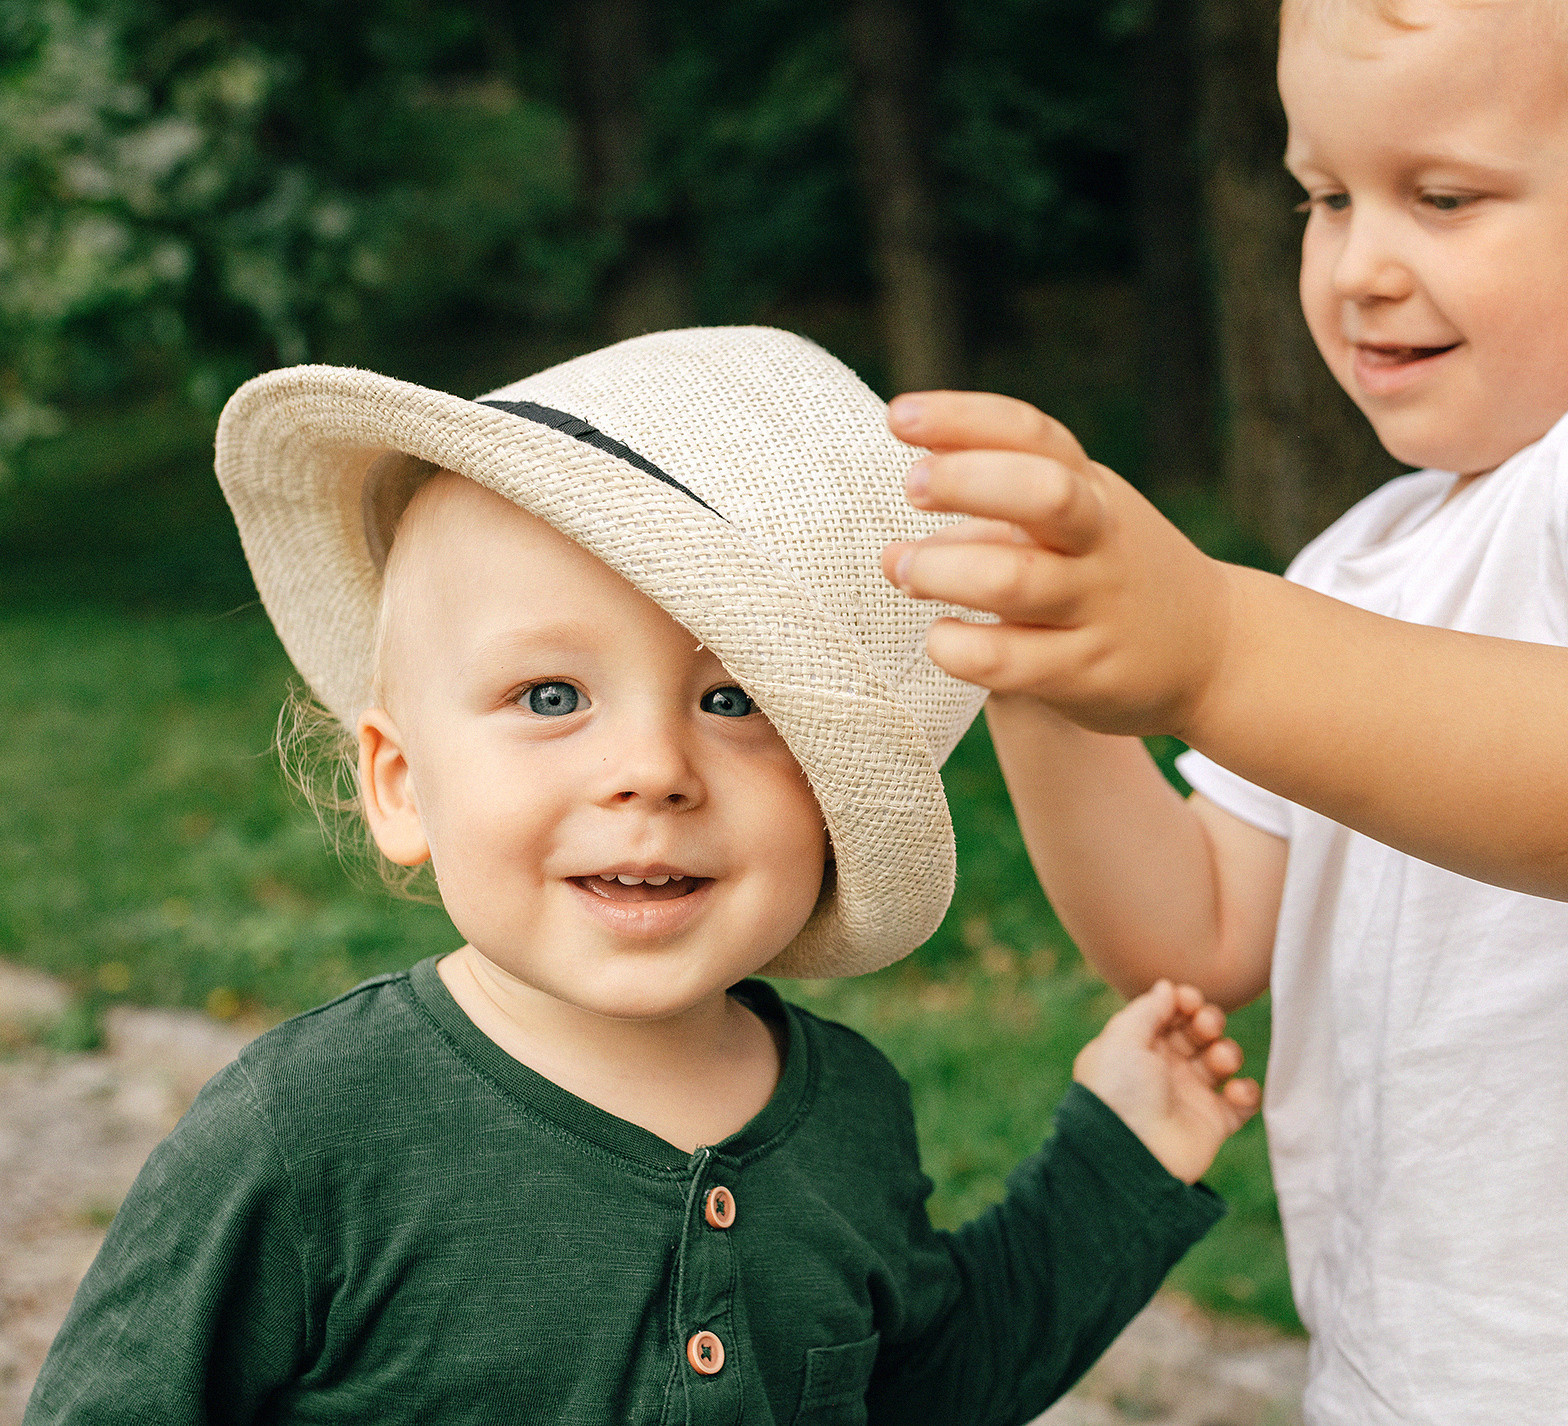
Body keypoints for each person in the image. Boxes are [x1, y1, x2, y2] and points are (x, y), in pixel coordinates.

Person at [876, 0, 1568, 1419]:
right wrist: (1053, 672)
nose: (1359, 267)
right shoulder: (1362, 562)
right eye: (1326, 198)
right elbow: (1201, 930)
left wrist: (1217, 646)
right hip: (1415, 1378)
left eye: (1443, 197)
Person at [25, 327, 1262, 1426]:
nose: (652, 769)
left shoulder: (847, 1116)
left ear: (832, 797)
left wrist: (1120, 1154)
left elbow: (926, 1385)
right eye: (550, 695)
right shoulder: (307, 1134)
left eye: (734, 699)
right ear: (402, 783)